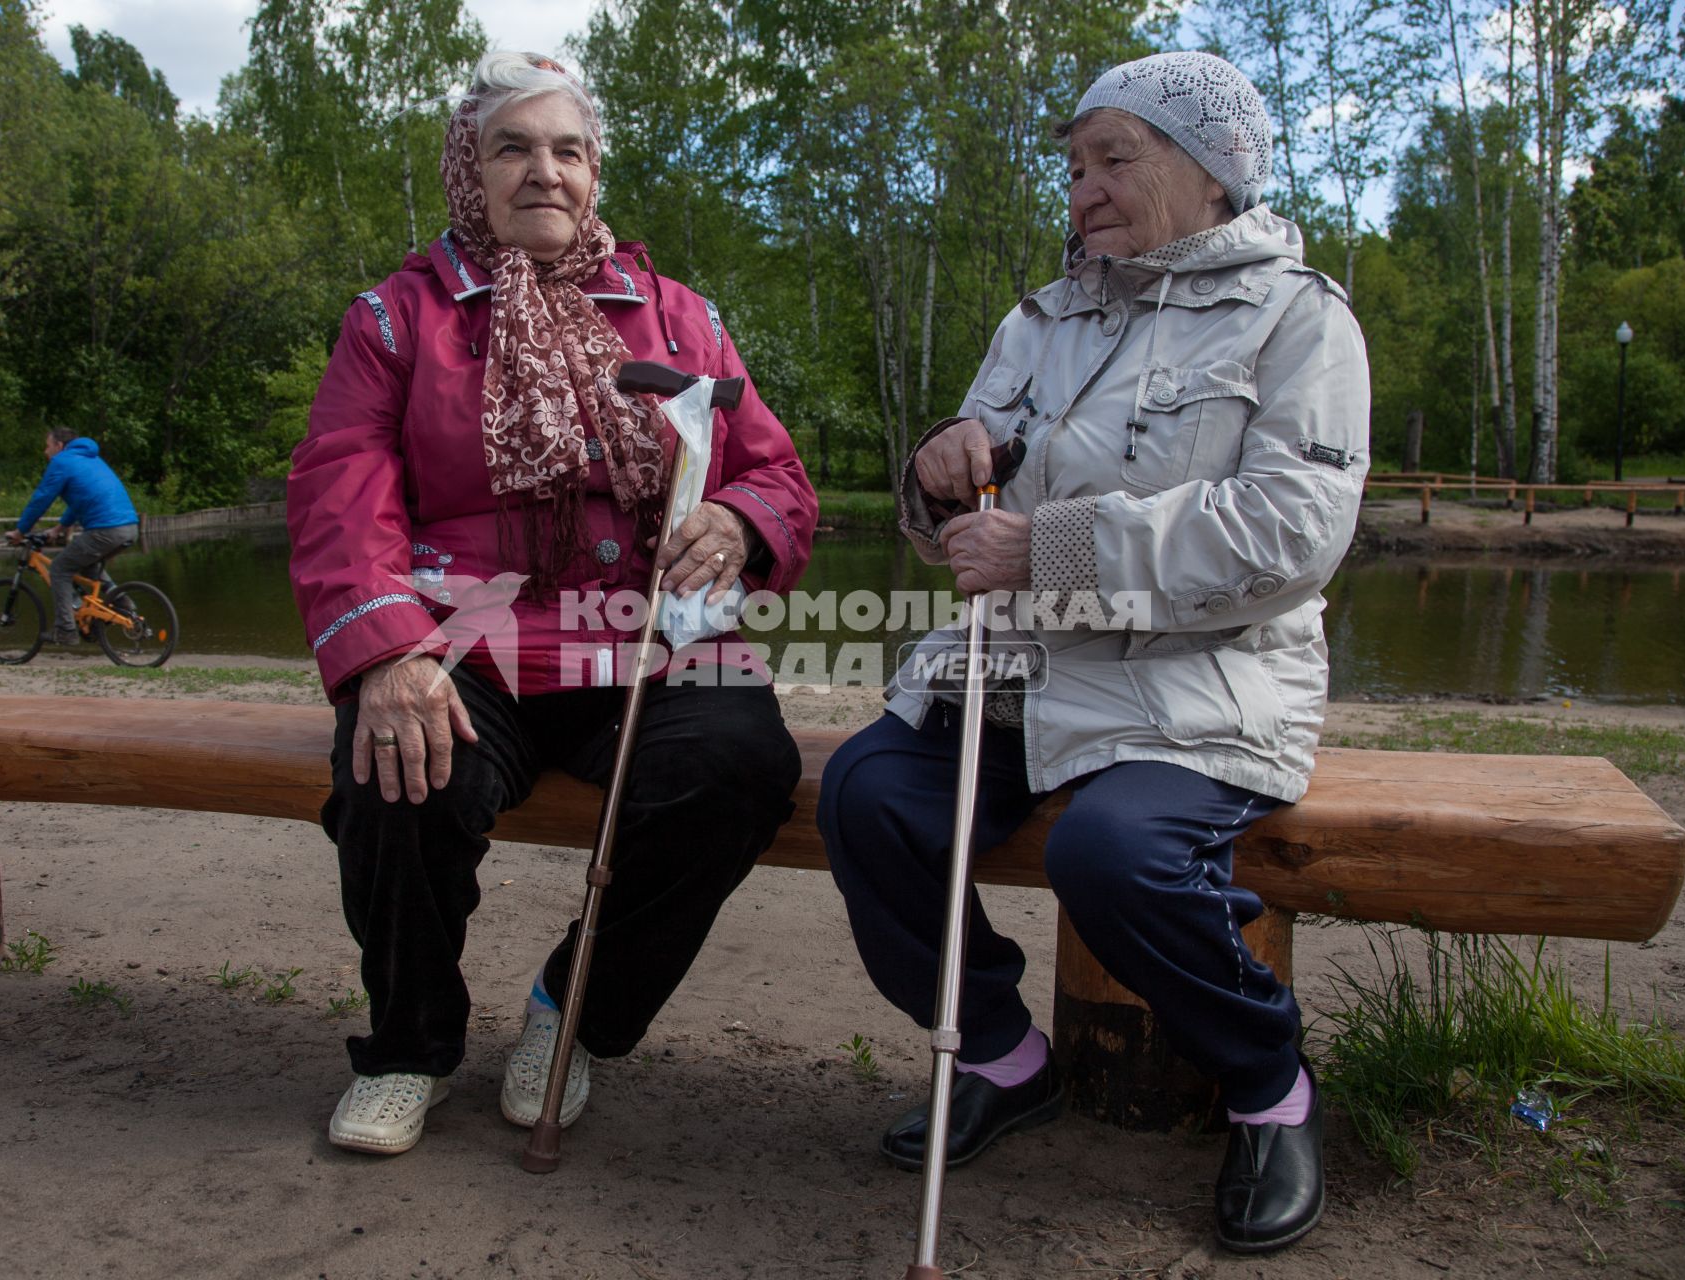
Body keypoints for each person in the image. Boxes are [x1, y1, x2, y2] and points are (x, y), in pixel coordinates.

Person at [818, 51, 1369, 1253]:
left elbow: (1291, 535)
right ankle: (1010, 1059)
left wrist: (1052, 548)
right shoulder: (1041, 319)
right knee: (863, 793)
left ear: (1210, 173)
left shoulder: (1298, 316)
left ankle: (1269, 1084)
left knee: (1114, 855)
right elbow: (960, 526)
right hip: (1020, 664)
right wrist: (939, 465)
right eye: (1074, 166)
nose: (1084, 190)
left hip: (1198, 675)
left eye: (1115, 158)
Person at [287, 51, 816, 1158]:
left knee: (740, 769)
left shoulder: (677, 317)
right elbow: (342, 493)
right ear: (467, 172)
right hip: (466, 640)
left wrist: (738, 523)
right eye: (511, 147)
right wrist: (388, 652)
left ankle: (571, 1010)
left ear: (593, 172)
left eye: (566, 149)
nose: (543, 171)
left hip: (645, 641)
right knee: (397, 780)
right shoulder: (397, 318)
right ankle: (407, 1045)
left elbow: (772, 472)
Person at [7, 427, 141, 645]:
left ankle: (66, 631)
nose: (45, 451)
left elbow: (41, 499)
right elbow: (81, 502)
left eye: (48, 445)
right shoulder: (92, 459)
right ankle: (123, 603)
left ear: (59, 446)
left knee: (59, 568)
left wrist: (20, 531)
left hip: (105, 529)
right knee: (89, 566)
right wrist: (58, 529)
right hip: (129, 527)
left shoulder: (62, 462)